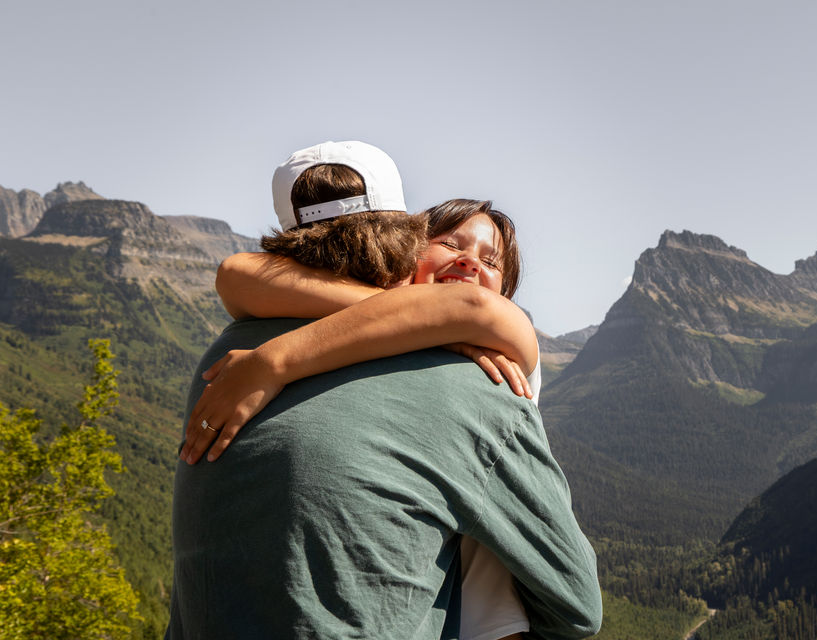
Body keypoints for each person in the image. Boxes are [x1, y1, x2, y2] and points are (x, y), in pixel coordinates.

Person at [166, 142, 602, 639]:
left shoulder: (225, 359)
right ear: (408, 244)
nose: (469, 266)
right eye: (452, 244)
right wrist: (437, 323)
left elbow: (238, 274)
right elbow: (578, 605)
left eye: (492, 261)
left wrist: (275, 359)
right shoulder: (476, 385)